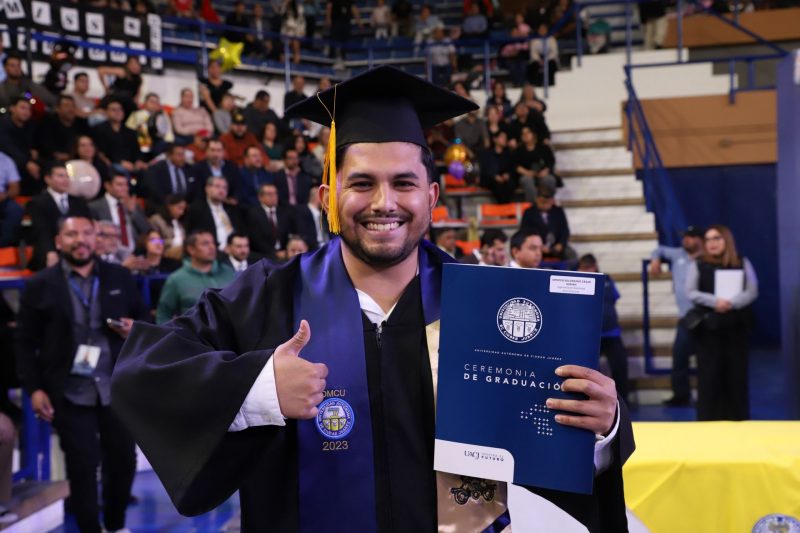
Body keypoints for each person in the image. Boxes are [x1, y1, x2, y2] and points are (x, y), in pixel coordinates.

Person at [111, 65, 632, 533]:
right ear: (328, 197)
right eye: (361, 183)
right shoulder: (270, 295)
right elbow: (146, 371)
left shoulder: (488, 305)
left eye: (404, 183)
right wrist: (259, 386)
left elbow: (555, 454)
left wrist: (603, 428)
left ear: (431, 196)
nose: (384, 203)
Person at [15, 215, 149, 533]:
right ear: (59, 241)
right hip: (69, 389)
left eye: (87, 233)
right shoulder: (40, 285)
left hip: (116, 386)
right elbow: (24, 343)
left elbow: (144, 319)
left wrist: (135, 328)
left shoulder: (118, 276)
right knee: (82, 465)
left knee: (123, 460)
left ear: (96, 238)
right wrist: (34, 388)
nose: (81, 240)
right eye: (71, 234)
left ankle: (116, 526)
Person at [686, 224, 758, 421]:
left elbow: (752, 290)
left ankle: (738, 419)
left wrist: (731, 303)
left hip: (736, 329)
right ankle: (709, 421)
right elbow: (691, 292)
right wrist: (715, 302)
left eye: (716, 238)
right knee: (709, 377)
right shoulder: (698, 264)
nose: (712, 243)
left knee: (736, 375)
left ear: (726, 240)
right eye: (708, 239)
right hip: (708, 330)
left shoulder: (741, 262)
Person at [649, 226, 704, 407]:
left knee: (707, 358)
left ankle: (709, 396)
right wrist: (655, 260)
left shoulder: (707, 258)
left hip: (706, 316)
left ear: (700, 240)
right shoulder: (678, 254)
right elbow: (659, 249)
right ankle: (681, 395)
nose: (686, 240)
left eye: (691, 237)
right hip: (686, 317)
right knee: (679, 357)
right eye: (684, 237)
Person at [154, 230, 236, 323]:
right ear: (191, 249)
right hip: (194, 331)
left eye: (213, 243)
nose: (212, 247)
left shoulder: (228, 272)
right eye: (205, 244)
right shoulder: (176, 279)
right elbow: (163, 314)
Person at [578, 254, 630, 401]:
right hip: (590, 335)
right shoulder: (576, 282)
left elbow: (614, 298)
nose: (587, 270)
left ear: (594, 266)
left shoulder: (606, 279)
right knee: (590, 370)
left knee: (620, 366)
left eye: (589, 267)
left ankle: (622, 401)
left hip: (611, 332)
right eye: (584, 268)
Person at [26, 163, 92, 271]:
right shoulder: (37, 203)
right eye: (60, 176)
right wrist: (50, 251)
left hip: (77, 248)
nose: (65, 180)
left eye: (67, 176)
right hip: (49, 249)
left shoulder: (79, 202)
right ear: (48, 179)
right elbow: (41, 231)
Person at [89, 173, 153, 257]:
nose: (124, 188)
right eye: (120, 185)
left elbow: (146, 230)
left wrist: (132, 212)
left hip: (134, 254)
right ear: (107, 186)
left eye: (126, 185)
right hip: (108, 255)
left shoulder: (133, 204)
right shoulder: (95, 207)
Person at [91, 98, 148, 177]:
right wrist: (120, 162)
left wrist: (138, 161)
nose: (118, 112)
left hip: (131, 164)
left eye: (120, 109)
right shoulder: (99, 130)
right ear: (106, 112)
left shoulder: (130, 132)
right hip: (113, 165)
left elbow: (137, 150)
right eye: (113, 110)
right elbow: (101, 152)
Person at [185, 176, 244, 250]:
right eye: (217, 186)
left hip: (236, 249)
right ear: (207, 189)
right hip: (213, 250)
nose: (222, 190)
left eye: (225, 188)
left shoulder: (233, 209)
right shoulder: (196, 209)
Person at [520, 184, 575, 261]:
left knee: (571, 255)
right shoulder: (529, 213)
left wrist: (561, 244)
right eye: (542, 202)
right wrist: (537, 245)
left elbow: (565, 230)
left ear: (552, 201)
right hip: (536, 246)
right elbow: (524, 232)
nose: (545, 205)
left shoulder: (558, 211)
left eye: (548, 202)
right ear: (537, 199)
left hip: (556, 246)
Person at [0, 97, 40, 195]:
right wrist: (27, 163)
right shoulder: (3, 124)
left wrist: (34, 149)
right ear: (12, 108)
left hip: (26, 159)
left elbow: (34, 144)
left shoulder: (30, 125)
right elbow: (8, 148)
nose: (26, 112)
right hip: (6, 161)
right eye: (23, 108)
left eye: (29, 109)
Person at [246, 182, 297, 259]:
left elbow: (288, 234)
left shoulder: (284, 212)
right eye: (269, 194)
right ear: (260, 197)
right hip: (263, 255)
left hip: (283, 253)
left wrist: (287, 251)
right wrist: (274, 254)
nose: (273, 197)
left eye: (275, 194)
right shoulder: (253, 214)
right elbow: (256, 239)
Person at [36, 95, 90, 163]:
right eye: (66, 106)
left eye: (73, 106)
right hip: (54, 161)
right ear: (57, 109)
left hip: (78, 160)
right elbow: (44, 144)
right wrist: (56, 154)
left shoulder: (81, 123)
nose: (71, 109)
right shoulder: (48, 122)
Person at [143, 143, 198, 210]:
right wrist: (171, 205)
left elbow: (194, 190)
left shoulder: (189, 169)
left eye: (183, 154)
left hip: (186, 208)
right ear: (169, 155)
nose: (182, 158)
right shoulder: (157, 169)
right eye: (179, 155)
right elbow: (155, 192)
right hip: (163, 208)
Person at [512, 126, 558, 201]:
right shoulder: (518, 150)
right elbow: (515, 165)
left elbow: (551, 161)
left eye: (528, 132)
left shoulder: (544, 148)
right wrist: (526, 172)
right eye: (523, 133)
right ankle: (534, 205)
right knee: (526, 180)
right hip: (527, 175)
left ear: (533, 134)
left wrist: (545, 171)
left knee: (549, 180)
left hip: (542, 174)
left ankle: (548, 203)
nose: (525, 135)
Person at [148, 194, 188, 261]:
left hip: (180, 252)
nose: (182, 212)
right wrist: (172, 242)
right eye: (179, 208)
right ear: (170, 206)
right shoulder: (156, 220)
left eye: (183, 209)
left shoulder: (178, 223)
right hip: (165, 253)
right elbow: (154, 241)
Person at [0, 151, 23, 247]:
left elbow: (15, 188)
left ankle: (4, 246)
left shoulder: (5, 160)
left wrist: (4, 195)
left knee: (15, 210)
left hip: (2, 199)